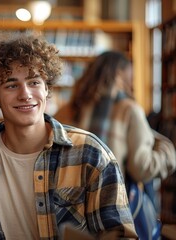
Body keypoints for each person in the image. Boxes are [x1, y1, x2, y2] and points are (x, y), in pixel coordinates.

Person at [0, 31, 137, 239]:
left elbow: (121, 235)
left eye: (34, 82)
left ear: (46, 88)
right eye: (11, 85)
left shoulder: (91, 154)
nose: (25, 94)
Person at [55, 51, 176, 238]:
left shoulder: (66, 109)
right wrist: (167, 150)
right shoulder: (129, 110)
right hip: (111, 215)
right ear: (121, 74)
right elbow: (142, 168)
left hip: (67, 214)